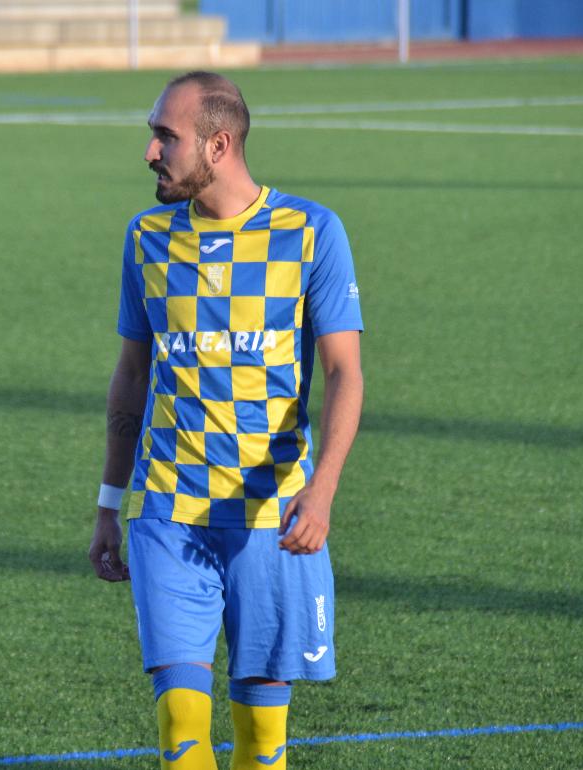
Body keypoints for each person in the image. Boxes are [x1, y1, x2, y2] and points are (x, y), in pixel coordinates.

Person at [88, 71, 364, 769]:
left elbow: (344, 374)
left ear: (218, 144)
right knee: (182, 734)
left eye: (164, 136)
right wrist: (108, 505)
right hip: (168, 515)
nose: (151, 152)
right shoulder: (147, 239)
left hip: (272, 521)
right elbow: (131, 377)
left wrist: (323, 490)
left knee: (262, 746)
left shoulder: (310, 232)